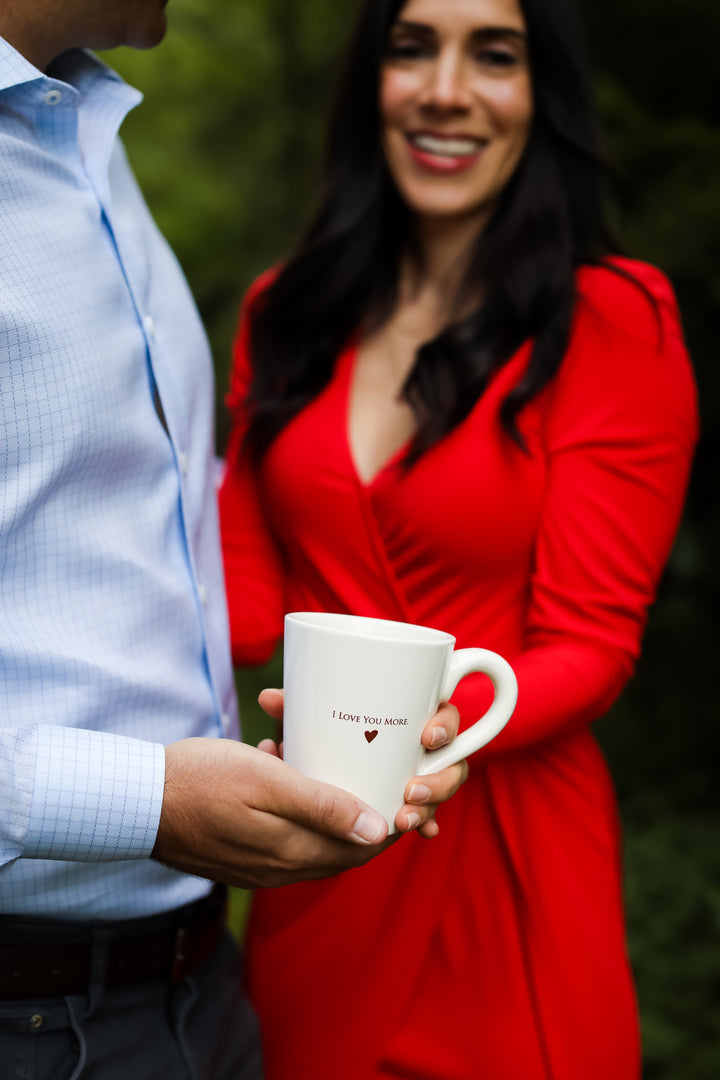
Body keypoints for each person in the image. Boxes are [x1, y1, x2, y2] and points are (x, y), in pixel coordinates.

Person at [218, 0, 699, 1077]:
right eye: (410, 46)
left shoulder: (615, 317)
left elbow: (593, 641)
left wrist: (427, 736)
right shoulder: (284, 312)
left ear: (544, 96)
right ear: (370, 82)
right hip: (321, 852)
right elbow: (241, 604)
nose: (445, 89)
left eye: (495, 55)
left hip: (497, 839)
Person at [0, 3, 468, 1078]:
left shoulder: (85, 137)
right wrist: (152, 802)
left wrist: (353, 712)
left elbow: (123, 539)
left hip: (200, 993)